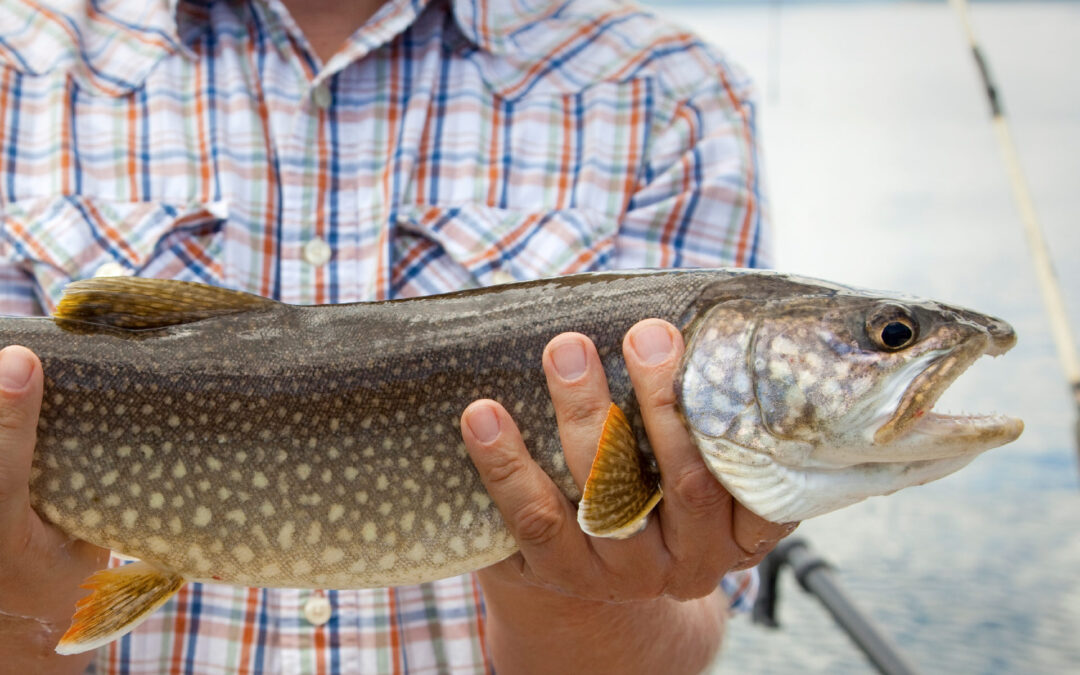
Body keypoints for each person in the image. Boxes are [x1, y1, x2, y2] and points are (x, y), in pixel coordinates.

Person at [0, 0, 795, 672]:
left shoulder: (668, 92)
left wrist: (577, 594)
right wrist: (19, 617)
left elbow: (678, 623)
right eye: (891, 335)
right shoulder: (15, 66)